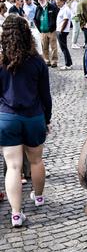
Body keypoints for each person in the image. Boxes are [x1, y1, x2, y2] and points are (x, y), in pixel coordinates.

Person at [0, 14, 52, 227]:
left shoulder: (1, 60)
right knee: (36, 160)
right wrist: (47, 119)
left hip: (7, 118)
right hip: (33, 117)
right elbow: (45, 95)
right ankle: (38, 197)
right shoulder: (38, 62)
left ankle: (15, 214)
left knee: (13, 167)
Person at [34, 0, 59, 68]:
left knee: (53, 47)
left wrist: (54, 27)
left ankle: (54, 61)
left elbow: (57, 17)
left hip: (51, 31)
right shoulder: (38, 8)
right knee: (44, 47)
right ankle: (46, 60)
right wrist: (39, 29)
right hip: (42, 31)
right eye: (40, 0)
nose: (41, 1)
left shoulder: (52, 7)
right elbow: (35, 19)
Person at [55, 0, 72, 70]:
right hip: (61, 30)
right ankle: (69, 63)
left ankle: (68, 64)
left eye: (58, 3)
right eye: (56, 3)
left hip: (62, 31)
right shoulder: (62, 9)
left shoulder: (65, 9)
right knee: (64, 48)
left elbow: (66, 20)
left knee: (64, 48)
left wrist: (61, 30)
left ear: (62, 1)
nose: (57, 4)